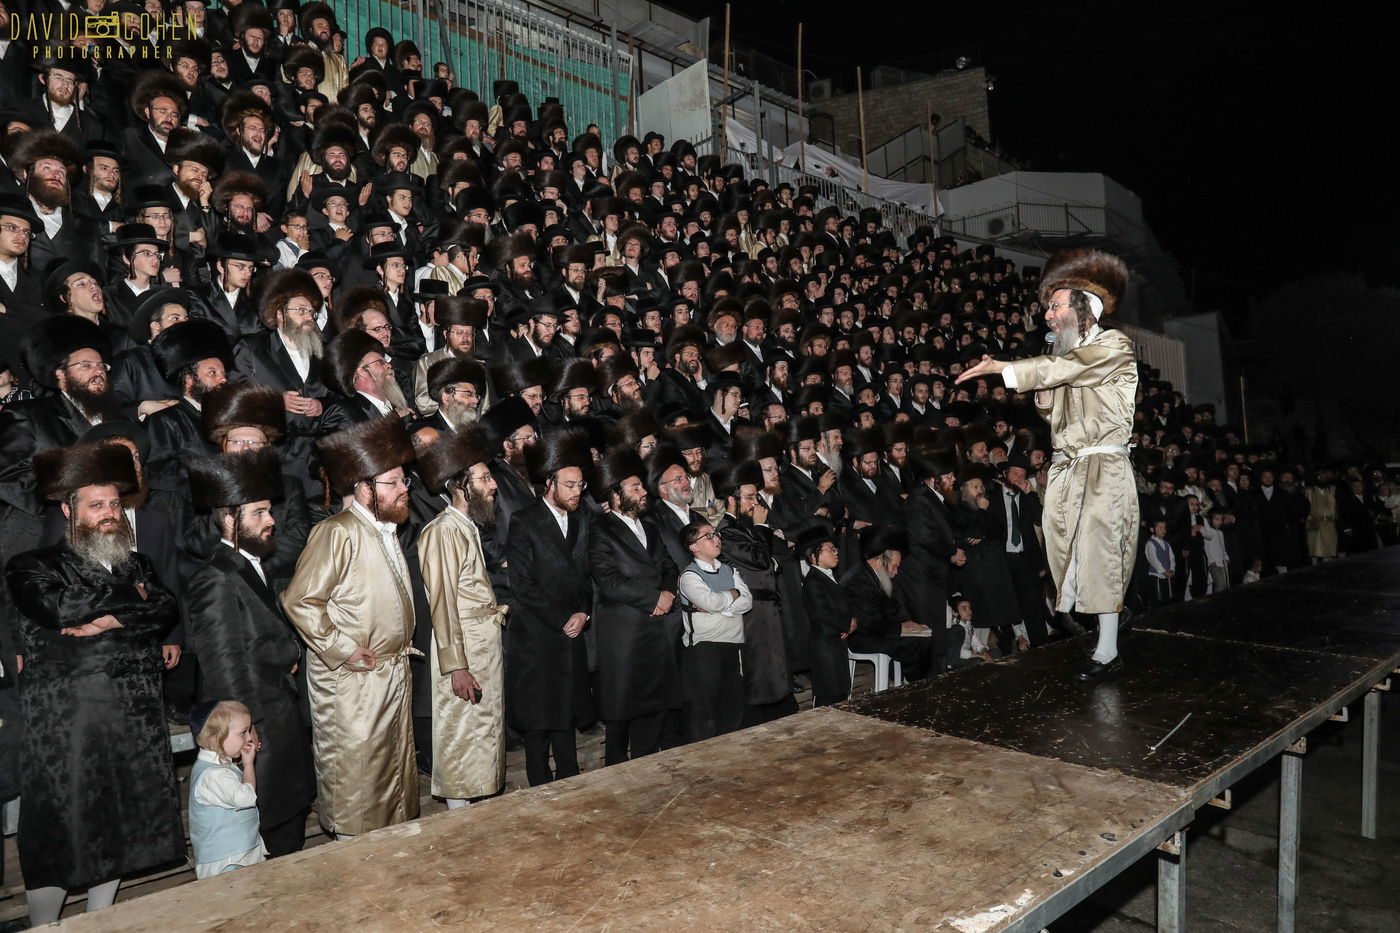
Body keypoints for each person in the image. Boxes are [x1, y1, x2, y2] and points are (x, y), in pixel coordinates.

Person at [5, 442, 184, 926]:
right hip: (71, 725)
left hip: (135, 718)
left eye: (115, 504)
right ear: (68, 510)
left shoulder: (136, 563)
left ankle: (100, 921)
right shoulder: (32, 565)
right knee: (65, 829)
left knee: (121, 827)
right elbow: (60, 609)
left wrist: (107, 619)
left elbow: (166, 608)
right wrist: (132, 604)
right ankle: (44, 925)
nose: (110, 514)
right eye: (96, 505)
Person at [958, 249, 1139, 681]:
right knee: (1068, 557)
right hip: (1067, 468)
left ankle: (1108, 651)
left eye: (1056, 306)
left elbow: (1069, 369)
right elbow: (1052, 412)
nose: (1049, 315)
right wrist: (1043, 392)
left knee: (1098, 551)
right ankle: (1111, 613)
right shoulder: (1065, 359)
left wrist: (1005, 368)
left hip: (1102, 466)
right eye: (1048, 309)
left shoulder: (1113, 346)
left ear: (1083, 308)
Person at [281, 416, 421, 838]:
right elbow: (301, 600)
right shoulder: (337, 531)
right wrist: (342, 648)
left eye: (404, 481)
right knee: (356, 779)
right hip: (354, 682)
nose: (404, 490)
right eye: (393, 483)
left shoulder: (385, 530)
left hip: (390, 675)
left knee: (391, 772)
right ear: (364, 487)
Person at [184, 449, 315, 856]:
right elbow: (223, 666)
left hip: (278, 715)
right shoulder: (216, 577)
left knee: (288, 823)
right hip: (258, 729)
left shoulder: (255, 563)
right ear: (229, 519)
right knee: (270, 833)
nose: (271, 520)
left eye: (269, 510)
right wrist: (245, 736)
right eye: (259, 513)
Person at [416, 427, 508, 808]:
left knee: (482, 736)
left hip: (481, 649)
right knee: (461, 737)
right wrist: (456, 667)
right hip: (463, 655)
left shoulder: (466, 527)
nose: (494, 485)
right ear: (460, 486)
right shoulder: (443, 532)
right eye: (484, 478)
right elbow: (442, 604)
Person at [505, 428, 594, 785]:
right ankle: (539, 793)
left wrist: (584, 612)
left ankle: (572, 787)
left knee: (566, 719)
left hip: (571, 635)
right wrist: (563, 618)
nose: (577, 492)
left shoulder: (582, 520)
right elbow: (522, 585)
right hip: (537, 639)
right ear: (549, 483)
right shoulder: (524, 521)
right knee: (539, 724)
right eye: (570, 485)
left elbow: (587, 576)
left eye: (581, 486)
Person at [588, 447, 679, 765]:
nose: (644, 492)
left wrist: (667, 593)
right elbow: (608, 579)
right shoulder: (600, 528)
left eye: (642, 486)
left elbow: (669, 565)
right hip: (624, 633)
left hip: (657, 629)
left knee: (655, 704)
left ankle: (647, 763)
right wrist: (653, 598)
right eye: (635, 487)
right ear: (615, 494)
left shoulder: (651, 527)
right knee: (621, 711)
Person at [676, 520, 751, 742]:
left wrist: (725, 606)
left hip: (734, 643)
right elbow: (709, 602)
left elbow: (747, 602)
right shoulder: (689, 576)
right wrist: (732, 596)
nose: (716, 538)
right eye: (708, 536)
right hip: (704, 647)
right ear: (693, 546)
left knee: (732, 706)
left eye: (716, 534)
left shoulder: (730, 570)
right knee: (705, 709)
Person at [188, 699, 266, 879]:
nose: (249, 737)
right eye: (242, 733)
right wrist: (248, 765)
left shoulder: (219, 767)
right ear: (215, 738)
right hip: (227, 860)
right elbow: (246, 798)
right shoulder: (214, 775)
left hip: (239, 852)